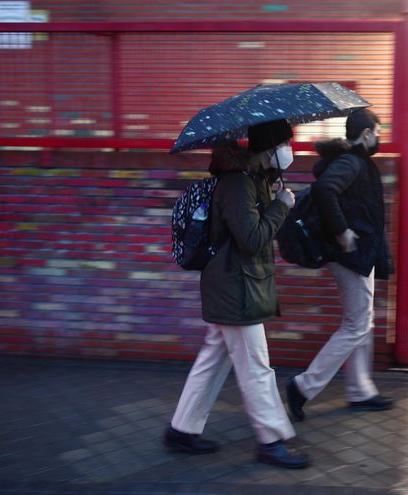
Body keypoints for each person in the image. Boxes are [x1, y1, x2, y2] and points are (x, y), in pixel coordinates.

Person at [163, 119, 309, 469]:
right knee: (257, 367)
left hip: (235, 284)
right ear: (270, 149)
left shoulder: (252, 181)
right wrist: (281, 206)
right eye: (286, 144)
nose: (291, 151)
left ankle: (181, 430)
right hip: (235, 288)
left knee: (213, 360)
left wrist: (273, 195)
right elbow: (253, 239)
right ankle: (271, 440)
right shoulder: (237, 185)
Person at [285, 109, 395, 421]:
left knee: (362, 322)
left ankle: (361, 390)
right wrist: (342, 230)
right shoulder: (352, 162)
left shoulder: (356, 161)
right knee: (356, 325)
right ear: (366, 133)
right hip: (351, 255)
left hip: (361, 254)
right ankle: (303, 386)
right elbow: (324, 190)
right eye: (378, 130)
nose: (380, 136)